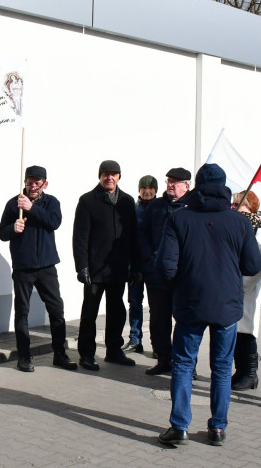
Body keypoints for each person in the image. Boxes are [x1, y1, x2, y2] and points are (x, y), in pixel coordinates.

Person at [156, 163, 261, 447]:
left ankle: (179, 426)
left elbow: (166, 268)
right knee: (222, 367)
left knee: (183, 364)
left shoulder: (179, 218)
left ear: (197, 186)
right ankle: (217, 427)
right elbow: (252, 265)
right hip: (226, 304)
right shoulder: (239, 222)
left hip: (190, 303)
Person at [0, 165, 77, 372]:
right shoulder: (13, 203)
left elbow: (54, 222)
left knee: (56, 310)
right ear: (24, 182)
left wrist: (32, 208)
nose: (33, 186)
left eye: (37, 182)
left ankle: (60, 353)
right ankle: (24, 356)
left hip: (46, 265)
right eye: (29, 182)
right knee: (22, 311)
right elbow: (2, 233)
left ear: (44, 184)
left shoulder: (52, 202)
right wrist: (13, 228)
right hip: (23, 266)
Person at [72, 160, 139, 370]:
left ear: (119, 176)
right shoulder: (87, 201)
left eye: (113, 174)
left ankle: (114, 351)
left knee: (117, 312)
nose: (109, 177)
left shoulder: (127, 202)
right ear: (99, 176)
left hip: (118, 269)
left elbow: (134, 237)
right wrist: (81, 266)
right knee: (90, 313)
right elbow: (80, 237)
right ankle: (86, 354)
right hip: (94, 270)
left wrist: (135, 266)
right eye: (105, 174)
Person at [139, 167, 191, 376]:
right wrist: (149, 257)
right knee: (159, 319)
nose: (170, 185)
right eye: (169, 181)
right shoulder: (156, 207)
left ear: (187, 186)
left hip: (183, 276)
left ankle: (186, 363)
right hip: (157, 274)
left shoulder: (193, 207)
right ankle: (163, 358)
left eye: (176, 182)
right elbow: (142, 232)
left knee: (185, 321)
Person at [230, 190, 261, 391]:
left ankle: (250, 374)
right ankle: (239, 371)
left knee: (246, 332)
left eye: (239, 204)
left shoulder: (258, 229)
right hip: (233, 288)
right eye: (233, 204)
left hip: (246, 288)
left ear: (251, 207)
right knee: (236, 332)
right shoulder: (237, 226)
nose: (235, 207)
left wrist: (242, 284)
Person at [125, 175, 158, 355]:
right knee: (135, 303)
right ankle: (135, 339)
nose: (146, 191)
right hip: (135, 265)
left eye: (150, 188)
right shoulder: (133, 209)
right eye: (143, 188)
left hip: (153, 265)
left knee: (156, 307)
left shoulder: (159, 208)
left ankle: (157, 344)